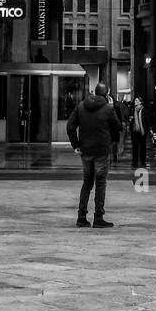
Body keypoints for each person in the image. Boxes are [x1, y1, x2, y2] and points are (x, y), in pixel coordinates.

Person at [67, 81, 121, 228]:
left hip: (85, 150)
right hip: (101, 151)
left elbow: (70, 126)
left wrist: (76, 144)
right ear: (106, 94)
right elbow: (117, 126)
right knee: (101, 183)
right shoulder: (108, 108)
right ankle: (98, 217)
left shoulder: (81, 106)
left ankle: (81, 216)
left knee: (87, 183)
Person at [129, 95, 152, 169]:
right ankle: (134, 161)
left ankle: (143, 161)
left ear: (140, 102)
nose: (135, 102)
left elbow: (147, 122)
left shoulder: (145, 111)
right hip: (135, 131)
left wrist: (146, 131)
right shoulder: (133, 110)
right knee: (135, 147)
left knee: (143, 147)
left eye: (136, 100)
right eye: (135, 100)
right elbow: (130, 119)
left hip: (142, 132)